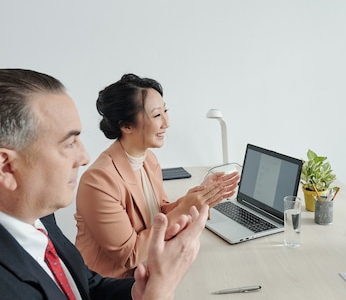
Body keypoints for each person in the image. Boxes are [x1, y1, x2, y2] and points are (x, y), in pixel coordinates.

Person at [0, 68, 209, 300]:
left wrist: (137, 293)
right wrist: (159, 296)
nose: (83, 156)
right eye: (69, 143)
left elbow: (85, 288)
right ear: (7, 166)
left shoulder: (39, 219)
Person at [75, 73, 238, 278]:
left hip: (148, 271)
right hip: (110, 288)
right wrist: (185, 208)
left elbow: (158, 213)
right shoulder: (98, 180)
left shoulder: (148, 160)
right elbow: (129, 255)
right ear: (126, 126)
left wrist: (199, 196)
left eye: (165, 111)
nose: (166, 123)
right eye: (157, 115)